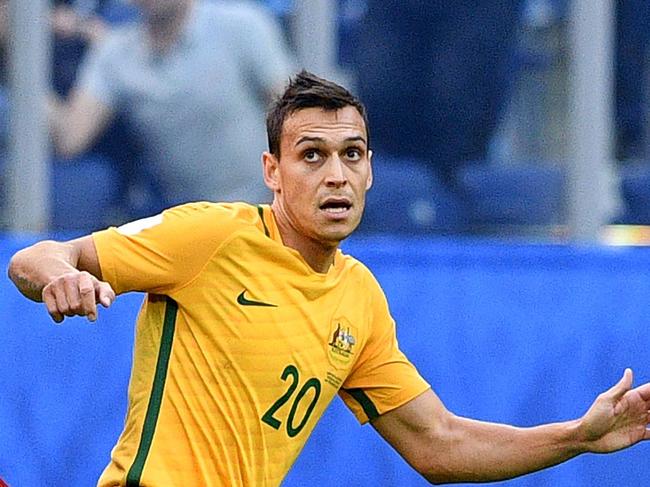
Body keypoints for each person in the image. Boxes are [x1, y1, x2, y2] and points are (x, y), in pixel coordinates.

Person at [8, 71, 650, 486]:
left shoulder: (359, 298)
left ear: (370, 170)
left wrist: (575, 437)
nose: (335, 175)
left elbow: (441, 444)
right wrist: (61, 276)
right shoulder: (211, 235)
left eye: (350, 155)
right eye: (311, 156)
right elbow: (31, 260)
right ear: (273, 171)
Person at [48, 0, 295, 209]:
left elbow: (297, 118)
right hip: (186, 229)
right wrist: (16, 57)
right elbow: (70, 139)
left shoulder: (242, 25)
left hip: (270, 211)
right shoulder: (114, 54)